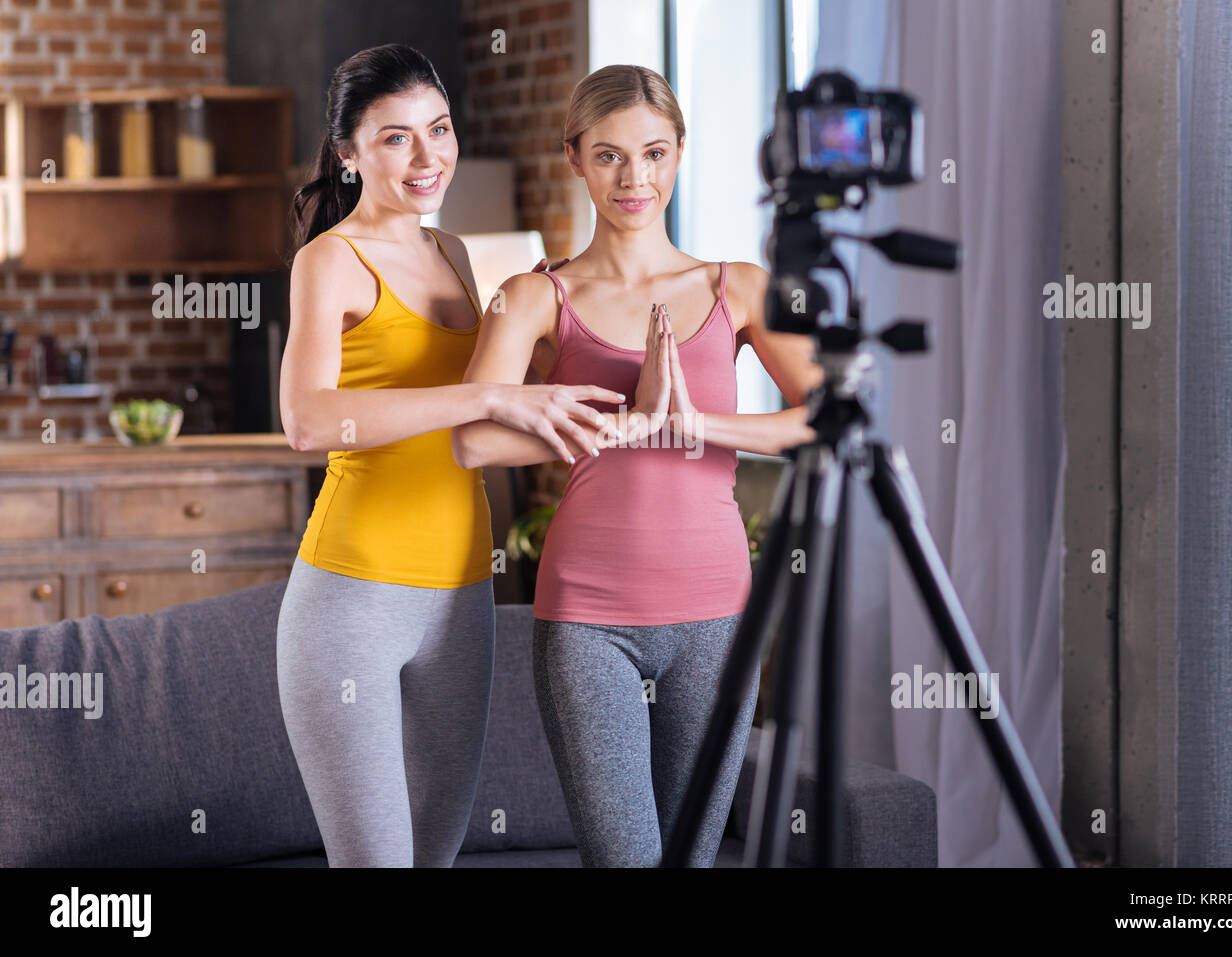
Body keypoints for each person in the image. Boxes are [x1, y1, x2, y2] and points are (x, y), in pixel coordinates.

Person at [452, 64, 823, 866]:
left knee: (690, 856)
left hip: (718, 615)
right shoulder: (533, 296)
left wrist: (693, 423)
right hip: (589, 619)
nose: (635, 177)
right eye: (611, 155)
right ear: (575, 159)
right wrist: (628, 425)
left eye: (654, 153)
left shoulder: (741, 288)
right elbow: (471, 439)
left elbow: (821, 424)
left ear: (680, 155)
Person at [275, 43, 624, 867]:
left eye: (439, 127)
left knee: (436, 856)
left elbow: (522, 399)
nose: (428, 157)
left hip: (463, 590)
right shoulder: (330, 261)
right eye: (396, 138)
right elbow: (307, 420)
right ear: (349, 153)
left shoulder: (457, 255)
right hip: (349, 600)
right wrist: (484, 396)